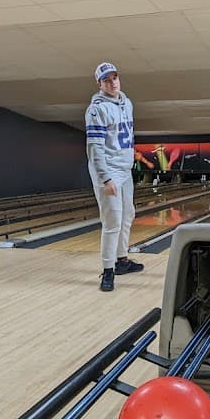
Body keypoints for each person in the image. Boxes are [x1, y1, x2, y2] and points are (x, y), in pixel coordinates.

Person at [85, 61, 143, 292]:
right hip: (108, 171)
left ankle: (122, 260)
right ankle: (107, 271)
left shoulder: (127, 103)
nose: (112, 82)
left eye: (115, 77)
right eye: (106, 79)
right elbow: (95, 148)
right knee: (112, 222)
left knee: (128, 215)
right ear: (100, 83)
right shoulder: (96, 109)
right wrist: (105, 178)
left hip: (125, 169)